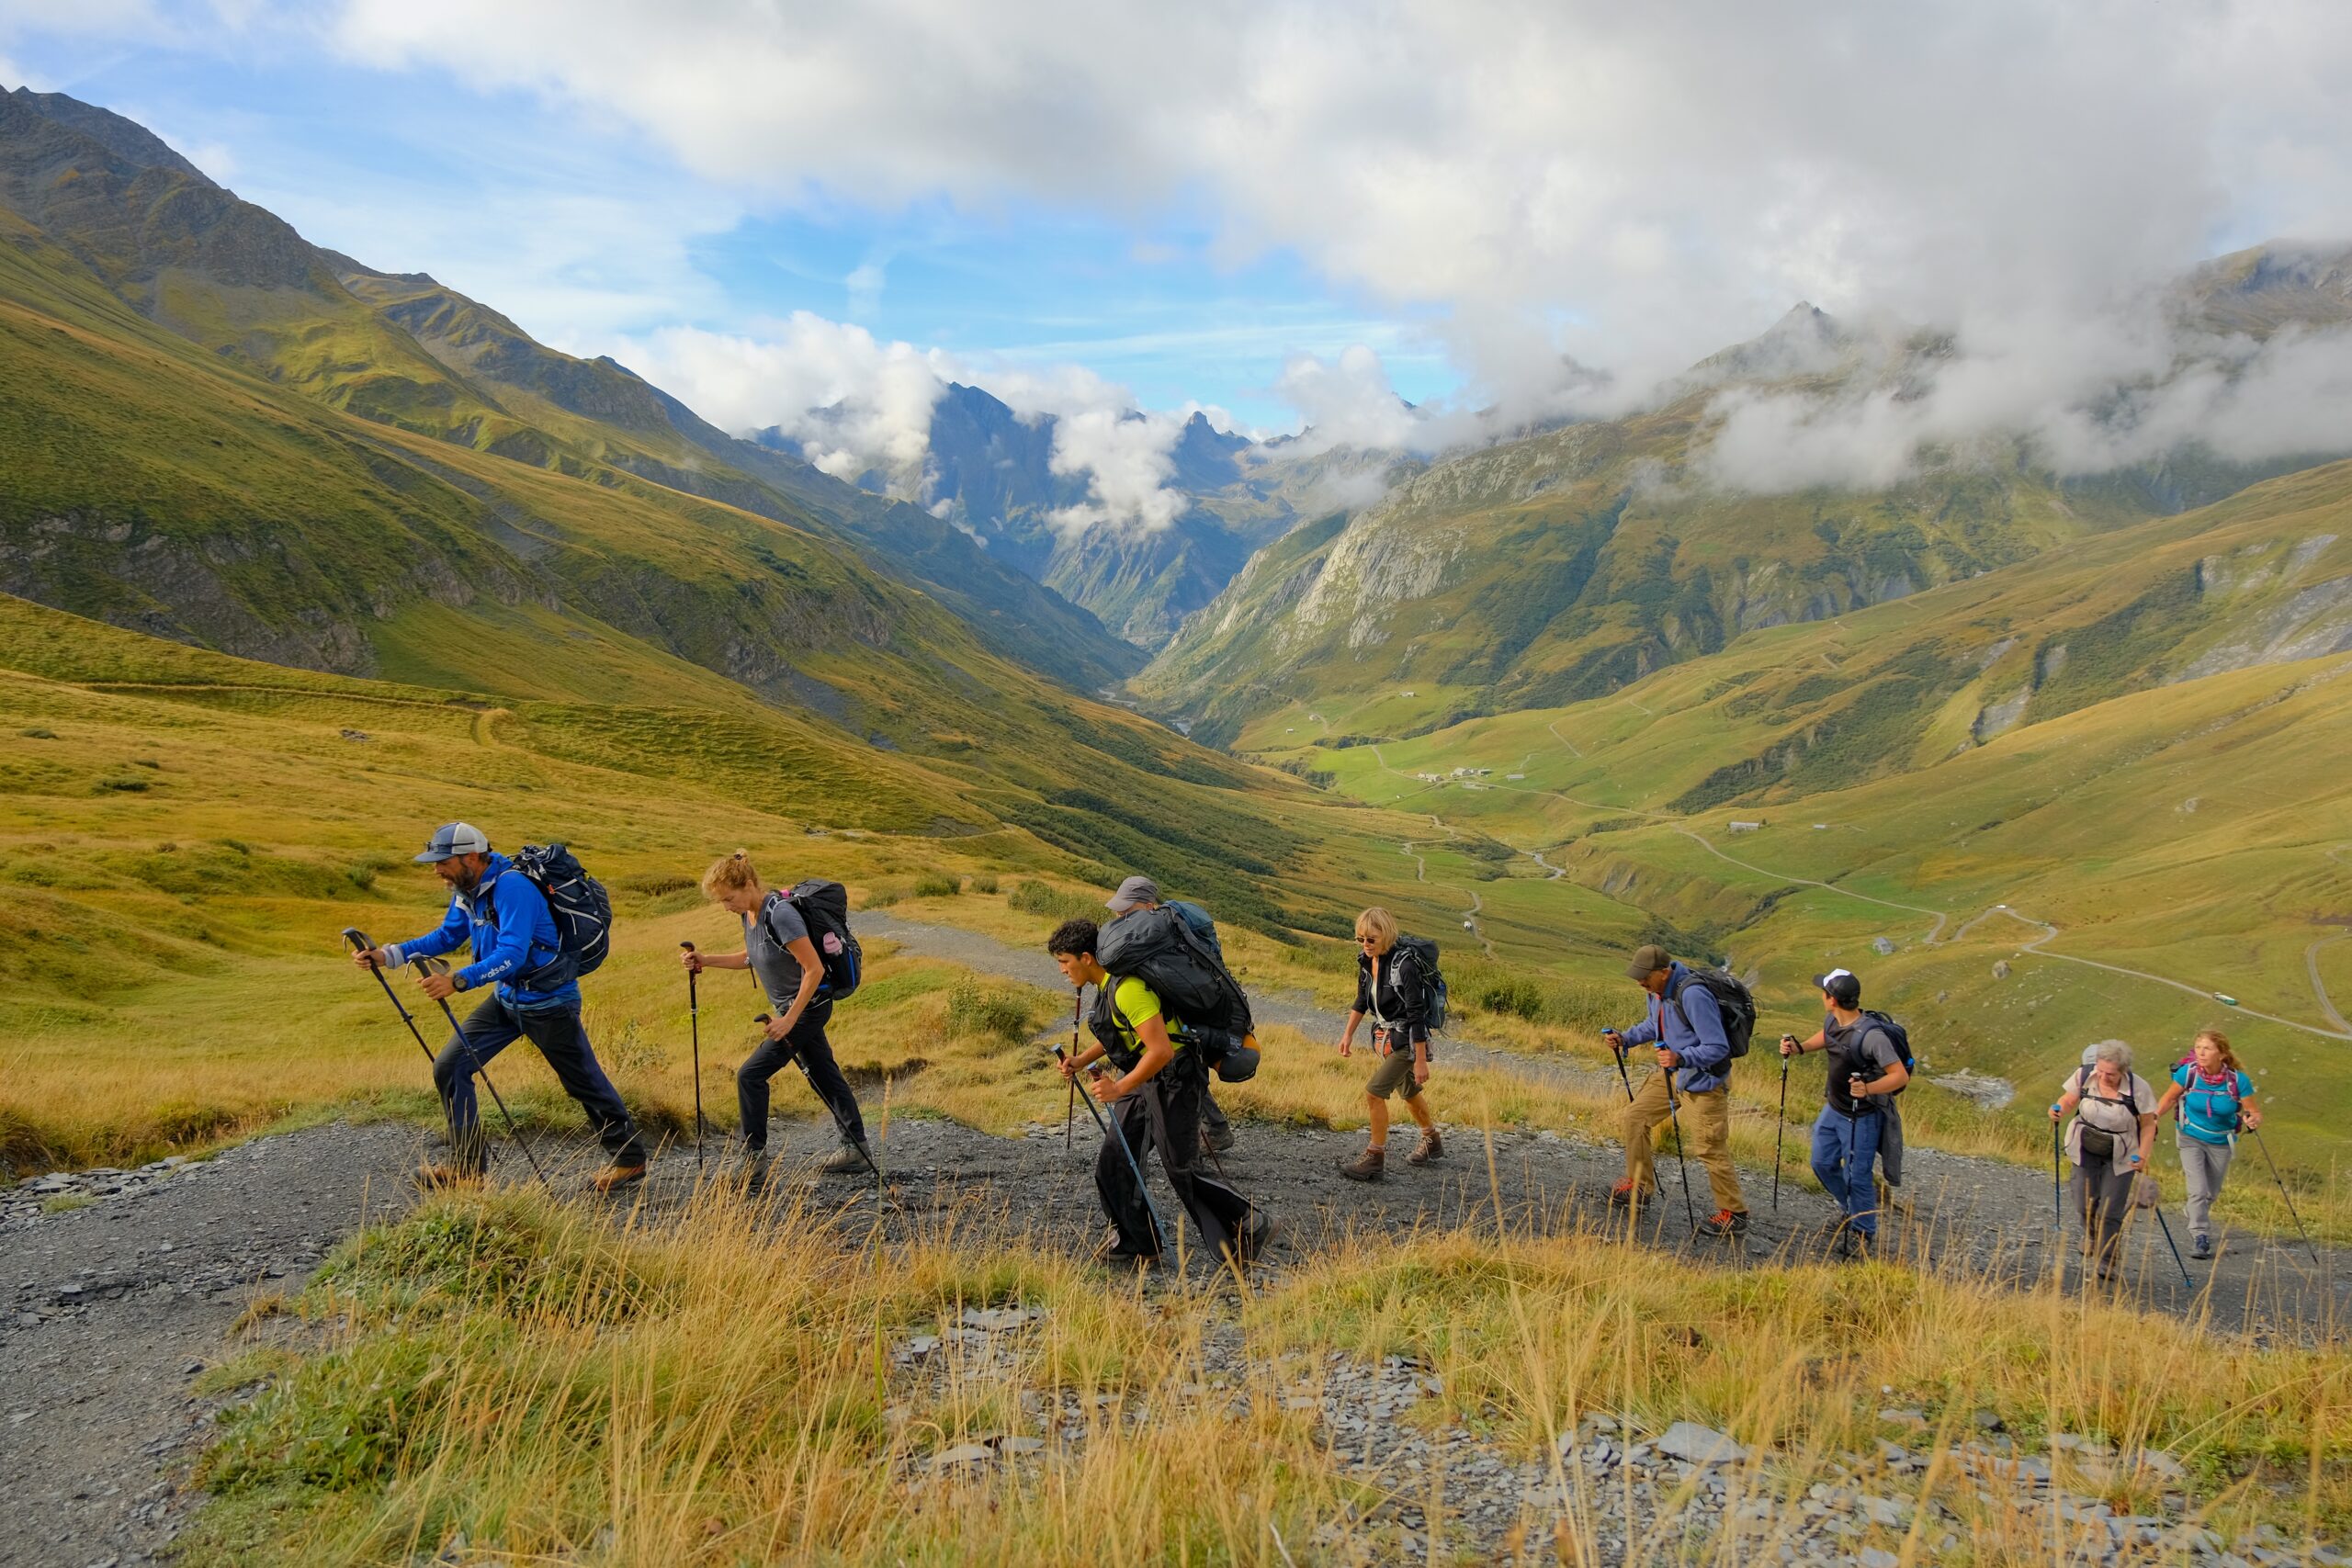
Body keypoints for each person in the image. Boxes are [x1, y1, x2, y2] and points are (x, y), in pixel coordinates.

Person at [350, 821, 648, 1191]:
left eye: (443, 861)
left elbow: (511, 953)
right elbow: (448, 935)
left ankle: (630, 1161)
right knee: (450, 1067)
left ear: (471, 857)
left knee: (582, 1082)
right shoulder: (468, 889)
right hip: (507, 999)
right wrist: (388, 955)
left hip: (549, 1002)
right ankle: (467, 1171)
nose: (436, 869)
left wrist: (458, 981)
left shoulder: (512, 888)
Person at [1047, 917, 1269, 1269]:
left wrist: (1119, 1086)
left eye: (1064, 961)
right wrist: (1079, 1060)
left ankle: (1249, 1223)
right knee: (1115, 1161)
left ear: (1087, 957)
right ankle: (1138, 1244)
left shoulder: (1127, 989)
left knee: (1182, 1169)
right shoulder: (1111, 987)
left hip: (1175, 1079)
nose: (1062, 970)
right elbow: (1125, 1035)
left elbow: (1161, 1050)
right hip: (1147, 1081)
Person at [685, 852, 872, 1179]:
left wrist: (788, 1021)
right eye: (722, 902)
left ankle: (753, 1162)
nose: (726, 907)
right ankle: (856, 1148)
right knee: (825, 1075)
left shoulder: (780, 914)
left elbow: (813, 969)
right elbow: (753, 956)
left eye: (729, 898)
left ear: (748, 885)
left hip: (808, 1008)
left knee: (750, 1076)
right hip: (795, 1010)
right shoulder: (750, 915)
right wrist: (706, 959)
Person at [1601, 942, 1747, 1237]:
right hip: (1672, 1073)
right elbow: (1653, 1026)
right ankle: (1640, 1188)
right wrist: (1626, 1038)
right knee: (1635, 1117)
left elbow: (1717, 1047)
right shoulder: (1656, 993)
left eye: (1645, 976)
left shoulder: (1692, 995)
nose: (1640, 982)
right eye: (1638, 976)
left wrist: (1682, 1057)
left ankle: (1735, 1214)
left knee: (1709, 1147)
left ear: (1664, 972)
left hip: (1704, 1082)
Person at [1779, 968, 1909, 1259]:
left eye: (1823, 992)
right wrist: (1799, 1048)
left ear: (1832, 999)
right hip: (1834, 1108)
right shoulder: (1834, 1020)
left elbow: (1899, 1076)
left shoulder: (1872, 1036)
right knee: (1821, 1163)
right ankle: (1851, 1209)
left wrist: (1869, 1088)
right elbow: (1827, 1037)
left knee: (1857, 1177)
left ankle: (1864, 1233)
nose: (1821, 997)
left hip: (1861, 1116)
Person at [1106, 875, 1236, 1156]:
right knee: (1174, 1068)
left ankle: (1197, 1136)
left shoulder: (1163, 933)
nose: (1120, 915)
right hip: (1169, 1016)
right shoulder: (1151, 931)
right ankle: (1210, 1129)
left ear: (1149, 905)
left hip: (1179, 1015)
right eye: (1119, 910)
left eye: (1127, 910)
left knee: (1176, 1067)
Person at [1335, 907, 1442, 1180]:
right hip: (1389, 1039)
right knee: (1408, 1091)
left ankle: (1374, 1157)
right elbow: (1361, 1001)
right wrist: (1347, 1034)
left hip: (1407, 1041)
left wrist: (1420, 1060)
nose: (1365, 945)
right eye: (1360, 939)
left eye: (1371, 939)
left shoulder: (1404, 966)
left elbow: (1416, 1014)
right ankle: (1432, 1140)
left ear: (1387, 934)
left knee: (1374, 1093)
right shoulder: (1366, 962)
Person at [2051, 1040, 2158, 1282]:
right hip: (2084, 1146)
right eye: (2100, 1070)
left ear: (2123, 1071)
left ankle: (2106, 1261)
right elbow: (2069, 1099)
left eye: (2110, 1074)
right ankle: (2091, 1236)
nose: (2103, 1076)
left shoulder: (2138, 1089)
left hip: (2121, 1153)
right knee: (2083, 1203)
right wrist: (2057, 1109)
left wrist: (2142, 1155)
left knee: (2110, 1211)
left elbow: (2149, 1125)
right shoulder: (2085, 1074)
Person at [2152, 1028, 2260, 1260]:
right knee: (2199, 1190)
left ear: (2221, 1054)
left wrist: (2253, 1119)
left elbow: (2253, 1110)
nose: (2200, 1052)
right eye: (2198, 1047)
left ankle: (2193, 1209)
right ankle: (2200, 1236)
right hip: (2190, 1136)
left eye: (2207, 1048)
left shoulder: (2238, 1081)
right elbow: (2170, 1098)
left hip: (2221, 1140)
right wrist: (2153, 1119)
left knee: (2211, 1193)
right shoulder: (2187, 1073)